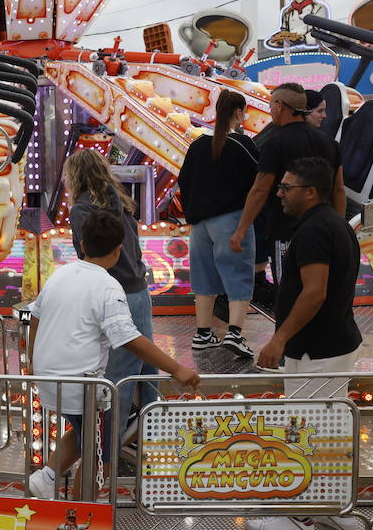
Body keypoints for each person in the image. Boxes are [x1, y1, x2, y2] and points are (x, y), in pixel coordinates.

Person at [27, 210, 201, 500]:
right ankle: (82, 516)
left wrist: (36, 361)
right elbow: (129, 338)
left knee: (87, 427)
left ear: (82, 244)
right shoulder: (109, 287)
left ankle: (47, 477)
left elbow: (36, 316)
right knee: (102, 452)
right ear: (120, 250)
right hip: (82, 386)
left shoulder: (62, 273)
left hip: (48, 380)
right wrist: (176, 369)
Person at [247, 158, 364, 530]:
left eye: (287, 187)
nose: (279, 193)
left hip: (316, 349)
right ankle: (332, 506)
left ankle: (298, 516)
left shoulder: (315, 230)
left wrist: (279, 339)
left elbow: (315, 292)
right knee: (327, 430)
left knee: (305, 430)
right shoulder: (335, 224)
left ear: (310, 191)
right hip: (334, 343)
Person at [230, 83, 345, 308]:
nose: (270, 109)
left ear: (280, 105)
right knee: (317, 289)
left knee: (289, 292)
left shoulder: (275, 143)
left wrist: (242, 228)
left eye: (271, 104)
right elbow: (338, 188)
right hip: (325, 225)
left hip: (287, 230)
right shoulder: (330, 144)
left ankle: (287, 339)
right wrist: (339, 227)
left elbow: (261, 189)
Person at [64, 149, 158, 419]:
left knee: (117, 376)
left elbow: (88, 256)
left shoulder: (82, 210)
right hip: (139, 289)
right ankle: (148, 432)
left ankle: (110, 448)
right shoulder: (121, 203)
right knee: (146, 364)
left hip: (112, 293)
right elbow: (136, 251)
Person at [177, 89, 260, 358]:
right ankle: (235, 333)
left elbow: (184, 181)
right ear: (238, 113)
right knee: (238, 274)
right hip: (232, 221)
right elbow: (259, 183)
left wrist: (193, 212)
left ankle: (203, 334)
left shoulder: (198, 144)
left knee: (204, 279)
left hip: (200, 226)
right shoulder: (242, 145)